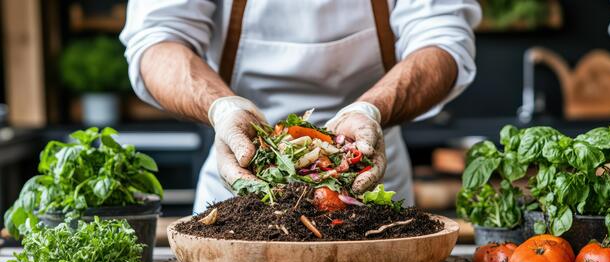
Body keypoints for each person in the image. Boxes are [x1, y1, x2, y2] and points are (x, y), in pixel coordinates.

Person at [120, 0, 481, 213]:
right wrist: (222, 109)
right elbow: (157, 41)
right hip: (239, 175)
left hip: (368, 174)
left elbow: (443, 40)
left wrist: (372, 110)